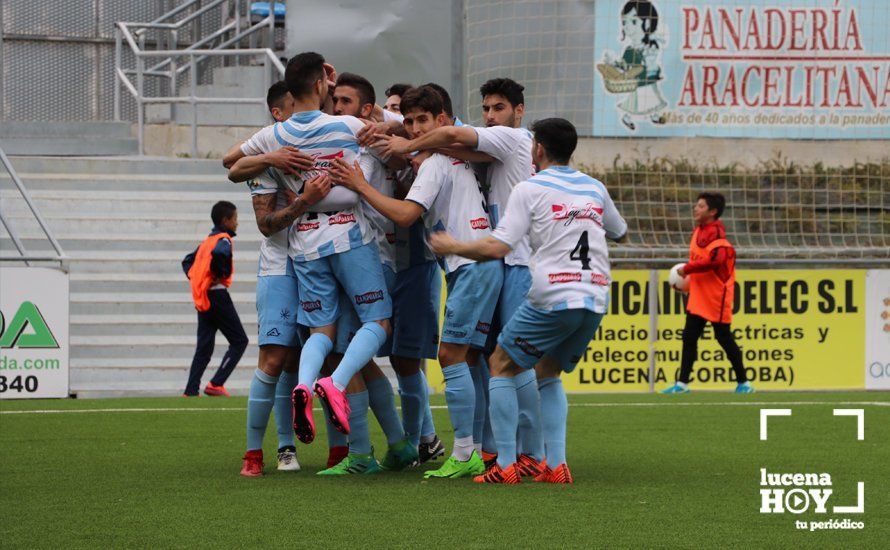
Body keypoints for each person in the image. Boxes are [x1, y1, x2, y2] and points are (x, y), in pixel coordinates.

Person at [429, 118, 628, 484]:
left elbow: (498, 246)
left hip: (553, 293)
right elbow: (620, 232)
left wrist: (452, 244)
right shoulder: (594, 187)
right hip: (596, 296)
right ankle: (556, 464)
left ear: (538, 148)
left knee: (501, 363)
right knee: (548, 373)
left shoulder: (529, 187)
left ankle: (505, 465)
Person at [232, 52, 394, 476]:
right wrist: (379, 116)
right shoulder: (341, 127)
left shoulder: (273, 137)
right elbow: (395, 133)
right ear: (322, 84)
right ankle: (277, 442)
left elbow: (230, 161)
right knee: (374, 325)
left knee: (322, 338)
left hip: (305, 245)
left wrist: (273, 156)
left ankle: (337, 432)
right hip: (327, 243)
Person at [372, 77, 543, 475]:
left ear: (519, 110)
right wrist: (392, 126)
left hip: (504, 261)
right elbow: (448, 135)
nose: (491, 116)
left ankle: (485, 453)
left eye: (499, 108)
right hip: (490, 258)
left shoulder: (502, 143)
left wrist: (361, 179)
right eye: (486, 109)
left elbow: (407, 213)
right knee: (486, 359)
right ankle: (498, 450)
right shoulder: (466, 153)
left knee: (476, 357)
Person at [331, 85, 503, 479]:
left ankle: (464, 454)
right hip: (480, 262)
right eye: (407, 120)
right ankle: (480, 450)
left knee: (450, 357)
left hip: (470, 266)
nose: (411, 127)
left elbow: (406, 215)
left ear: (442, 121)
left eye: (421, 120)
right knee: (473, 360)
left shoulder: (437, 163)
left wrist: (360, 185)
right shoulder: (451, 155)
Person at [237, 82, 306, 477]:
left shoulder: (323, 145)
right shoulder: (264, 161)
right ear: (279, 115)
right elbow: (266, 225)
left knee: (309, 359)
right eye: (298, 112)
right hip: (280, 265)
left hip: (322, 261)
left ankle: (338, 451)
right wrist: (304, 200)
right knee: (274, 358)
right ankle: (258, 453)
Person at [662, 193, 755, 395]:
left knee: (724, 338)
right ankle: (682, 384)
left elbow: (715, 261)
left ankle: (744, 382)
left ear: (712, 212)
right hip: (698, 295)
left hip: (716, 298)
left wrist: (687, 269)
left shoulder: (719, 240)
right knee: (689, 337)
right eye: (696, 205)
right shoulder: (698, 231)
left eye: (701, 206)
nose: (696, 209)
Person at [182, 201, 249, 398]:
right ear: (225, 220)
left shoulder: (206, 242)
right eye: (235, 219)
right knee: (239, 341)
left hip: (204, 296)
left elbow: (187, 261)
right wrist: (220, 273)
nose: (237, 223)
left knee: (204, 347)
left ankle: (190, 391)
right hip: (218, 295)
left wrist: (197, 277)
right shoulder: (224, 240)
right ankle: (216, 383)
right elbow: (221, 254)